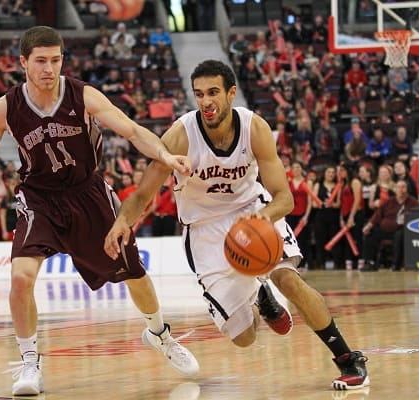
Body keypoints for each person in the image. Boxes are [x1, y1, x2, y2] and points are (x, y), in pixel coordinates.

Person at [0, 26, 198, 396]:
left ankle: (160, 334)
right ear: (23, 63)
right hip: (38, 197)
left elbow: (132, 130)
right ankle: (29, 363)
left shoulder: (82, 95)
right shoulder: (5, 107)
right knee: (21, 278)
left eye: (56, 60)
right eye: (40, 61)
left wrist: (164, 154)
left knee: (133, 272)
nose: (49, 68)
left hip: (87, 194)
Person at [105, 60, 369, 391]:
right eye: (199, 94)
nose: (206, 101)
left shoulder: (254, 128)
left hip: (251, 210)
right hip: (204, 228)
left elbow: (284, 198)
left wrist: (264, 217)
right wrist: (122, 222)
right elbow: (144, 191)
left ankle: (349, 359)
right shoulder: (180, 135)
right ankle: (261, 297)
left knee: (288, 279)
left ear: (232, 93)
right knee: (244, 338)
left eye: (213, 92)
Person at [361, 180, 419, 271]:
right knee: (370, 233)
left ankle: (396, 265)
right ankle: (370, 262)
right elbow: (378, 215)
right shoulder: (389, 201)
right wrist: (369, 225)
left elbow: (418, 218)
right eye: (398, 187)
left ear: (407, 189)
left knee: (399, 235)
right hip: (385, 229)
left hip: (401, 230)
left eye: (403, 187)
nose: (401, 189)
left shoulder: (413, 202)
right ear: (395, 189)